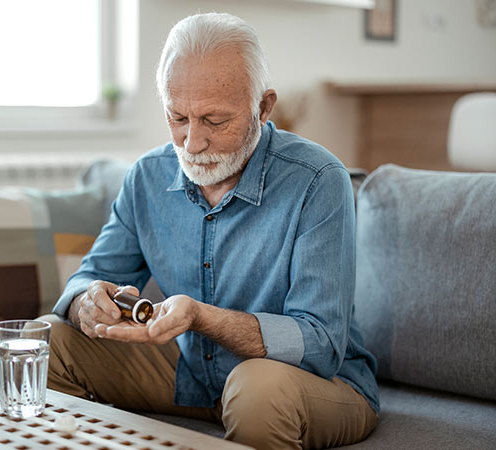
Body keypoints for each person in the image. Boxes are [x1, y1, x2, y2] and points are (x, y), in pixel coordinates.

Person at [41, 12, 379, 450]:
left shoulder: (318, 181)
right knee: (45, 338)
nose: (192, 143)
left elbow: (320, 344)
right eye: (177, 118)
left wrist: (202, 317)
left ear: (263, 106)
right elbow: (85, 279)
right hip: (191, 374)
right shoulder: (147, 177)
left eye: (215, 121)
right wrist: (87, 302)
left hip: (311, 384)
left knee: (257, 390)